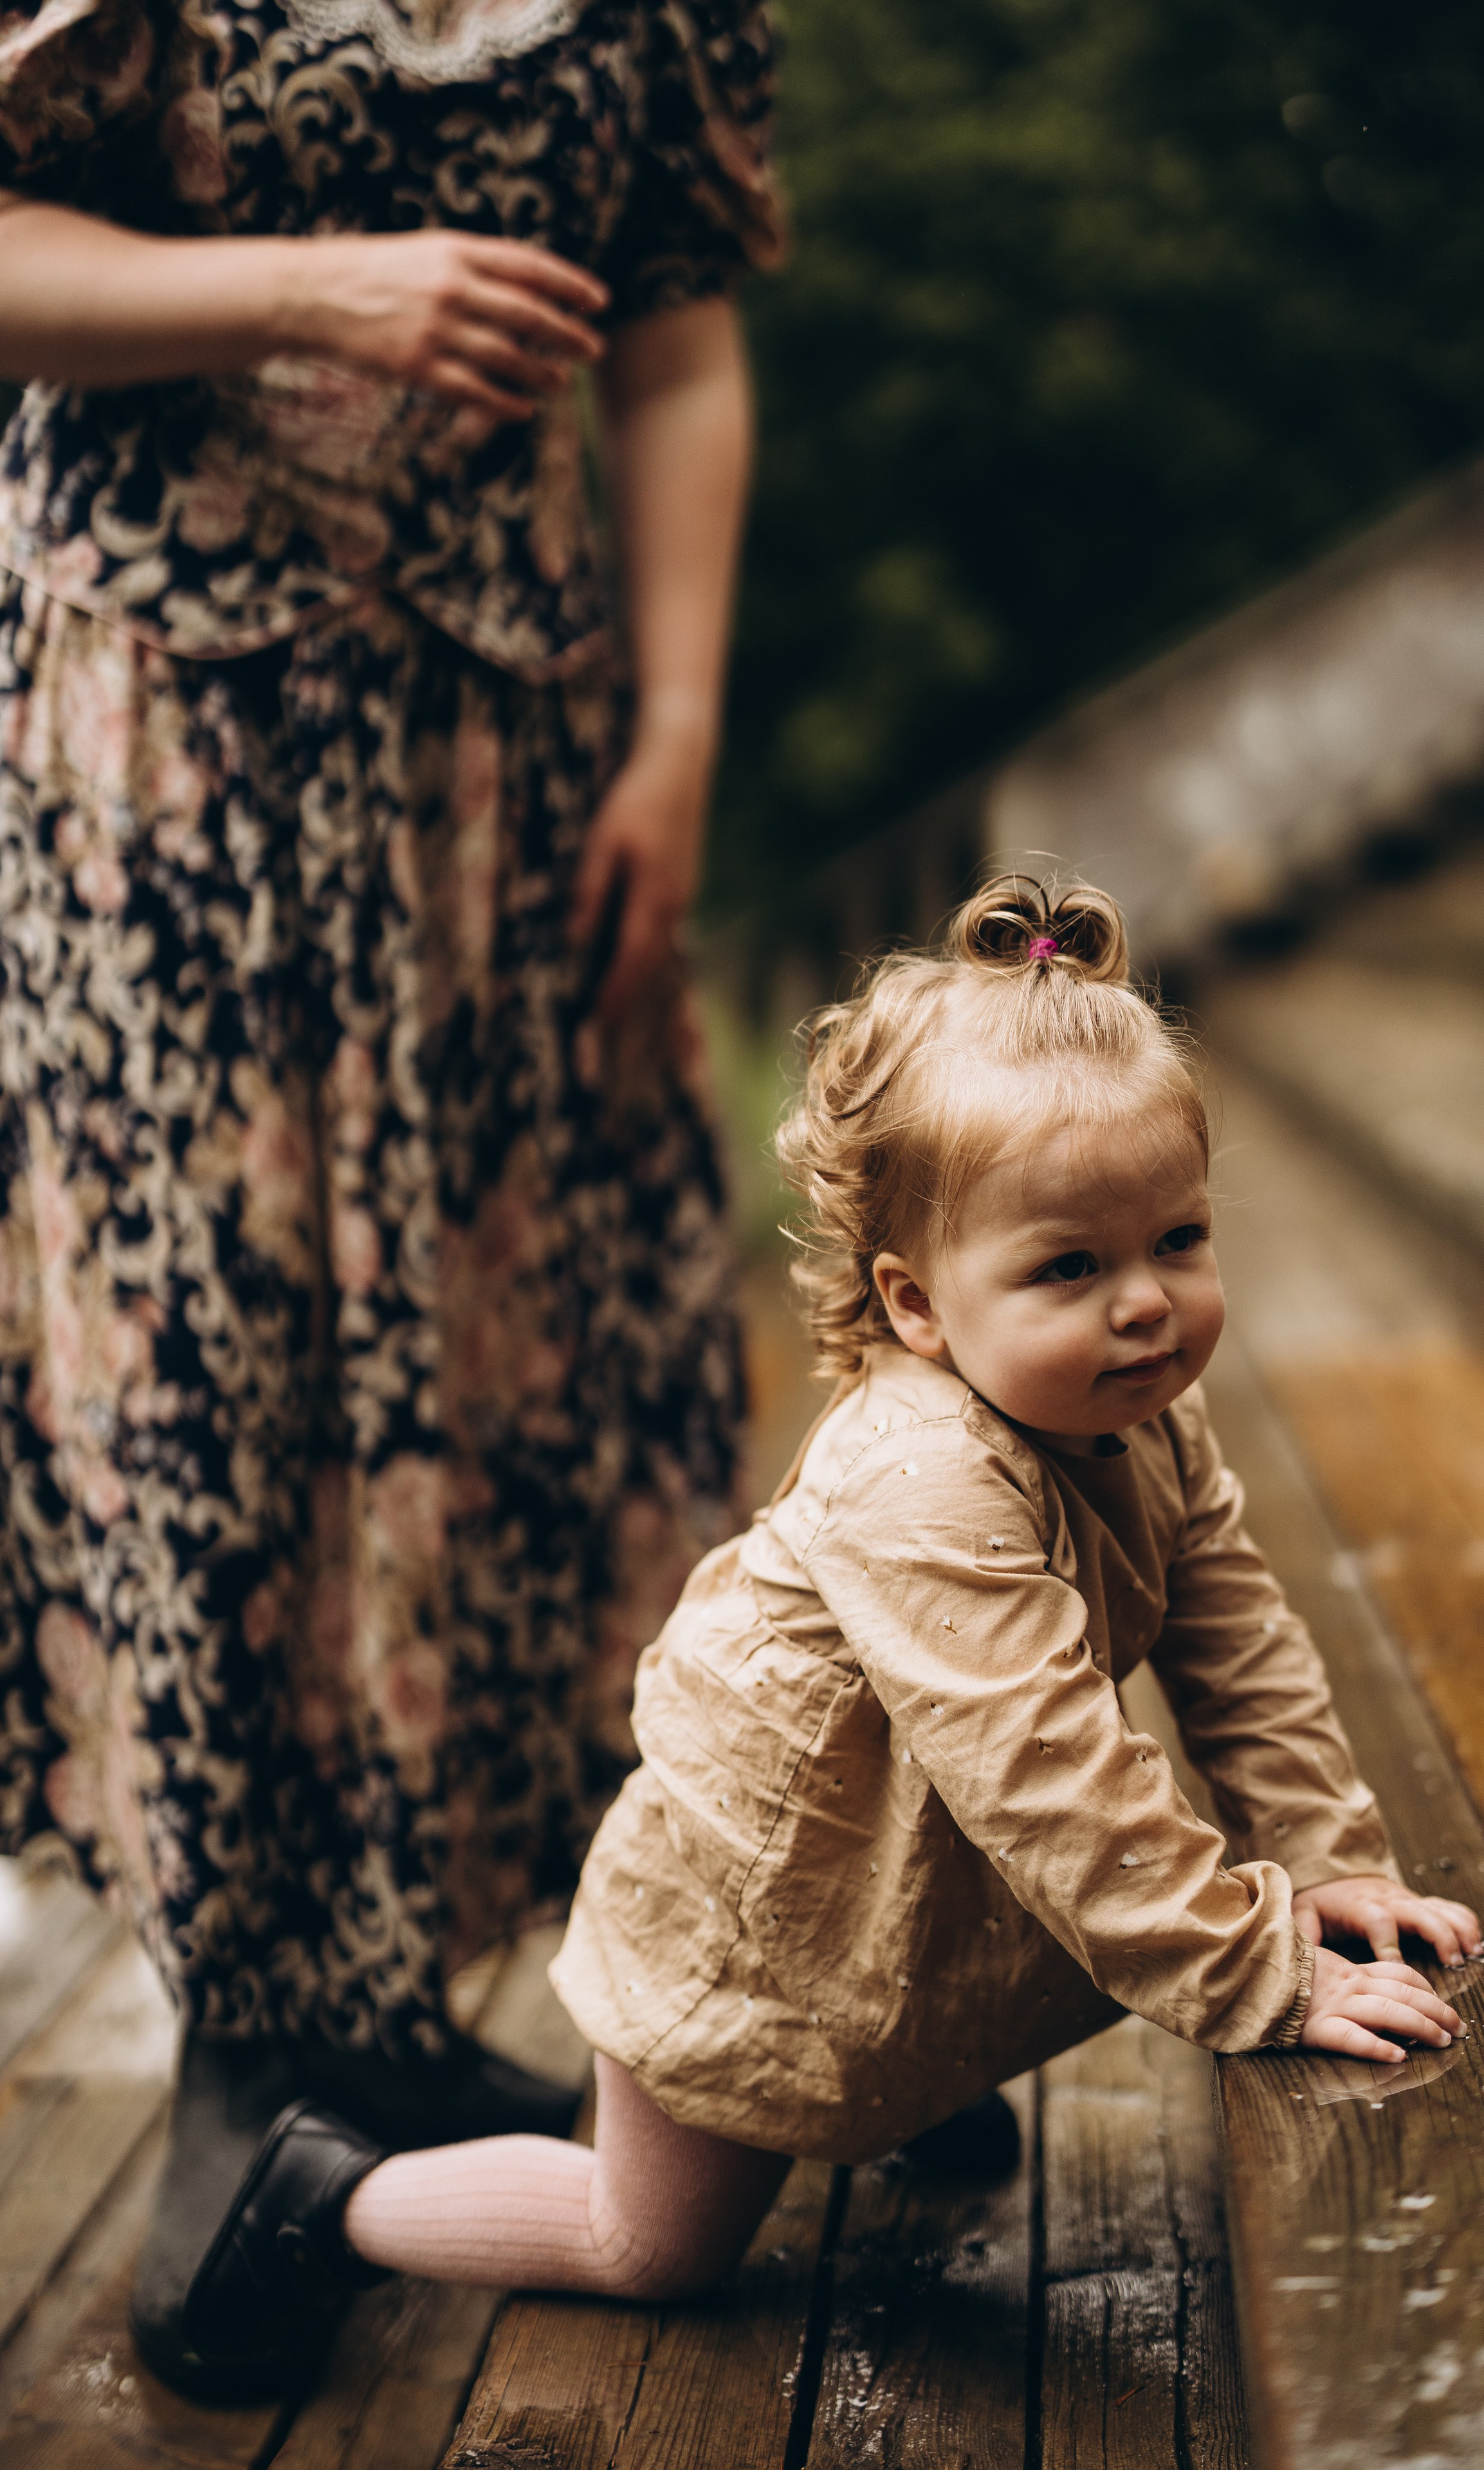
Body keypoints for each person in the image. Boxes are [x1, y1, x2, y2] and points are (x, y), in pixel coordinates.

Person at [170, 875, 1484, 2381]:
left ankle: (902, 2080)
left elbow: (1237, 1641)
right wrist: (1262, 1967)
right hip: (763, 1907)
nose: (1145, 1307)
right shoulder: (920, 1484)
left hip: (917, 1879)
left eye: (1175, 1240)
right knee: (647, 2246)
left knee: (983, 1946)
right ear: (914, 1306)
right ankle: (324, 2199)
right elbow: (1051, 1775)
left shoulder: (1146, 1420)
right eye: (1069, 1266)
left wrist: (1322, 1856)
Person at [0, 0, 780, 2399]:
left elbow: (674, 348)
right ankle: (253, 2040)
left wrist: (669, 726)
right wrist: (310, 289)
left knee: (536, 1330)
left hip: (507, 741)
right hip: (163, 736)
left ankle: (534, 2007)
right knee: (215, 1371)